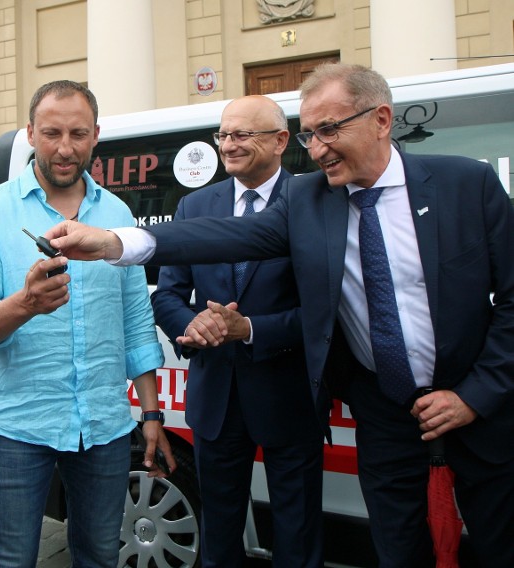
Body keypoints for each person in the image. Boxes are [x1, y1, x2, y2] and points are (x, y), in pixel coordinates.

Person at [46, 63, 514, 568]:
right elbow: (224, 235)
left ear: (381, 120)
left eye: (329, 130)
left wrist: (474, 395)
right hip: (386, 414)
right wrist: (116, 241)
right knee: (399, 550)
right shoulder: (311, 198)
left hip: (480, 409)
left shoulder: (467, 184)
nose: (316, 150)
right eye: (310, 135)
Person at [0, 79, 176, 567]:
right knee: (10, 559)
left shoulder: (116, 213)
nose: (65, 147)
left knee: (99, 554)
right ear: (30, 133)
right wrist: (25, 304)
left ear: (95, 136)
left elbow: (135, 319)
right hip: (16, 427)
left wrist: (153, 413)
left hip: (104, 426)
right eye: (52, 133)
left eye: (78, 134)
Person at [150, 95, 326, 567]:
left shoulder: (313, 201)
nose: (228, 145)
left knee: (298, 528)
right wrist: (194, 324)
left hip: (289, 394)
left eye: (242, 135)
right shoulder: (195, 204)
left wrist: (249, 328)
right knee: (221, 532)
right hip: (217, 394)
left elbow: (326, 310)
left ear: (280, 141)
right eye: (223, 135)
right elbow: (166, 294)